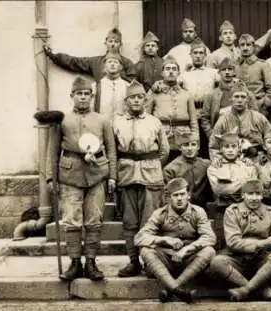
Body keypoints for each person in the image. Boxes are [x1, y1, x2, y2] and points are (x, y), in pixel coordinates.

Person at [46, 76, 117, 281]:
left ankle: (91, 263)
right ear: (72, 96)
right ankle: (75, 263)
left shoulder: (102, 120)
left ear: (92, 97)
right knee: (72, 220)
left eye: (87, 94)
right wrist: (51, 178)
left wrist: (112, 176)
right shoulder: (62, 121)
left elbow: (111, 150)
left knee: (94, 219)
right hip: (70, 175)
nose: (83, 98)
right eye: (79, 94)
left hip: (97, 174)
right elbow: (52, 151)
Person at [113, 80, 170, 277]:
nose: (136, 101)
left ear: (145, 100)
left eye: (139, 97)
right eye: (132, 98)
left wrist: (151, 165)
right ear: (126, 101)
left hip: (151, 176)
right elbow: (113, 151)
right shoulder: (117, 122)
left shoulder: (154, 122)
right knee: (130, 222)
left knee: (150, 221)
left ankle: (150, 262)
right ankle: (132, 261)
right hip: (127, 176)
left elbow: (164, 151)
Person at [135, 178, 216, 303]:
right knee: (145, 250)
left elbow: (210, 237)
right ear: (168, 198)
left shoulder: (198, 212)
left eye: (182, 194)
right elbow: (139, 238)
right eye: (175, 195)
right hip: (166, 261)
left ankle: (171, 289)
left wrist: (188, 249)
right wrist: (165, 240)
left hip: (189, 260)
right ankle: (180, 291)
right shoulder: (160, 214)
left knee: (209, 251)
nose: (179, 199)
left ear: (188, 195)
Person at [207, 179, 271, 301]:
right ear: (243, 195)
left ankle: (245, 290)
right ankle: (259, 291)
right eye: (250, 194)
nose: (254, 198)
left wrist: (270, 244)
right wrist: (261, 242)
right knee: (216, 262)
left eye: (258, 194)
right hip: (237, 257)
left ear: (262, 195)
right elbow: (233, 242)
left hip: (261, 259)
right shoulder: (232, 211)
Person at [206, 133, 259, 249]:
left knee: (247, 244)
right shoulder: (214, 167)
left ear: (239, 148)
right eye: (226, 146)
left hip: (244, 211)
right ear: (221, 149)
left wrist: (236, 183)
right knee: (222, 245)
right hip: (223, 210)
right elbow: (220, 190)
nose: (230, 150)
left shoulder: (248, 166)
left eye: (233, 146)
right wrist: (243, 181)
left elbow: (253, 188)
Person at [146, 56, 198, 162]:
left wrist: (195, 139)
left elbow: (193, 120)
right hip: (161, 135)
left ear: (178, 73)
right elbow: (146, 117)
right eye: (167, 69)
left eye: (174, 69)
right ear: (162, 73)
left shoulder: (186, 93)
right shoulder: (154, 92)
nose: (171, 72)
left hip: (183, 136)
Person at [208, 82, 271, 161]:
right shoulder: (223, 120)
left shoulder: (258, 118)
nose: (239, 100)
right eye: (236, 96)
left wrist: (265, 158)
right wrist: (218, 159)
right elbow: (213, 146)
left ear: (247, 99)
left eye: (243, 97)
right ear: (230, 99)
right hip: (231, 161)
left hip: (256, 160)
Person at [44, 28, 135, 82]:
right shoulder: (96, 62)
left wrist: (119, 75)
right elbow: (74, 62)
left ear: (120, 44)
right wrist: (54, 56)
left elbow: (133, 82)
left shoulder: (127, 63)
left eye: (116, 41)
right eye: (110, 41)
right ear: (105, 43)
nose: (113, 44)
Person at [201, 58, 257, 139]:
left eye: (230, 69)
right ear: (219, 72)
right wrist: (211, 135)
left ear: (234, 72)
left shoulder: (247, 93)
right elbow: (205, 118)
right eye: (223, 70)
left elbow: (255, 115)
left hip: (242, 135)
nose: (227, 72)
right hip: (220, 135)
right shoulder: (211, 95)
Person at [181, 42, 219, 158]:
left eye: (201, 53)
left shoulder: (213, 73)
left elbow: (227, 83)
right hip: (191, 115)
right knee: (193, 144)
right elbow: (171, 85)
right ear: (190, 55)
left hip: (208, 114)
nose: (198, 55)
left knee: (210, 144)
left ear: (205, 55)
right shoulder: (183, 74)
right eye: (195, 53)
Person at [164, 132, 212, 208]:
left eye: (193, 145)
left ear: (198, 146)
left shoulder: (206, 164)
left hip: (202, 208)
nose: (190, 148)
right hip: (180, 208)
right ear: (180, 147)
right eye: (186, 145)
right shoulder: (171, 169)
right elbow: (167, 196)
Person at [236, 34, 271, 117]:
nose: (245, 48)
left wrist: (265, 106)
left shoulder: (263, 65)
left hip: (258, 106)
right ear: (238, 47)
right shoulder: (235, 66)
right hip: (239, 106)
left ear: (253, 47)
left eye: (248, 45)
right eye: (242, 45)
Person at [93, 52, 129, 117]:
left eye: (115, 62)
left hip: (122, 124)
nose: (112, 64)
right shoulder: (96, 86)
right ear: (105, 66)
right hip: (102, 123)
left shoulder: (127, 86)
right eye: (109, 62)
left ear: (120, 67)